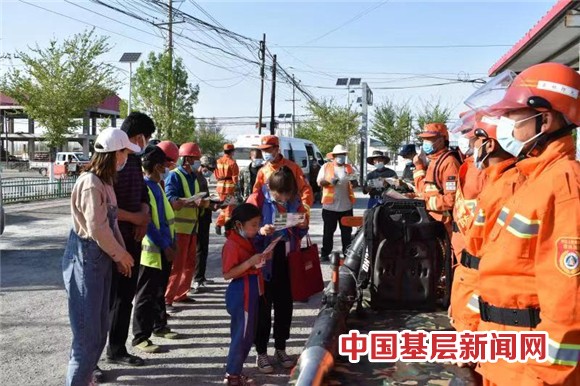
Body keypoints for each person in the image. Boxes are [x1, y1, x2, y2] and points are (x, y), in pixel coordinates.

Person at [469, 63, 580, 386]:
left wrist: (545, 378)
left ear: (543, 119)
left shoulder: (565, 186)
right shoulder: (534, 179)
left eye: (514, 116)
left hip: (528, 369)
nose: (506, 125)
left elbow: (569, 304)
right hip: (503, 353)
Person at [63, 128, 139, 386]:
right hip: (87, 259)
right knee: (87, 338)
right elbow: (97, 228)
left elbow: (111, 223)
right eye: (125, 152)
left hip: (100, 257)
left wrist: (120, 255)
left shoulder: (105, 182)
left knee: (99, 333)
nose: (126, 157)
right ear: (114, 153)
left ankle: (85, 378)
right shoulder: (90, 183)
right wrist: (120, 253)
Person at [449, 113, 519, 337]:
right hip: (470, 293)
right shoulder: (495, 181)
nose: (471, 147)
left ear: (488, 145)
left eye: (474, 140)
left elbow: (495, 266)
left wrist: (470, 327)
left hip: (482, 312)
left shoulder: (507, 187)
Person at [247, 166, 309, 374]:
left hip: (286, 257)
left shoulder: (294, 200)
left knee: (285, 305)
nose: (283, 198)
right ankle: (261, 352)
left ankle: (281, 348)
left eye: (287, 194)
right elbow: (240, 229)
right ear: (269, 188)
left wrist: (301, 225)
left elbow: (303, 227)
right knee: (263, 308)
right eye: (278, 194)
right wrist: (261, 230)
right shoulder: (257, 199)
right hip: (263, 260)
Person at [107, 112, 155, 368]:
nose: (146, 143)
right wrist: (137, 219)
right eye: (146, 138)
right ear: (138, 137)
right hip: (116, 243)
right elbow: (107, 207)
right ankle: (101, 354)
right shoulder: (114, 163)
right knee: (110, 300)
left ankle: (117, 348)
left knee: (125, 297)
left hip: (133, 240)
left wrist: (144, 215)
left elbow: (144, 193)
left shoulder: (133, 161)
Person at [131, 145, 179, 354]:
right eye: (165, 165)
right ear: (158, 166)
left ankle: (160, 325)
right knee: (145, 294)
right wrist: (164, 245)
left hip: (166, 247)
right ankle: (140, 336)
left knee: (159, 291)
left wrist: (172, 241)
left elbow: (166, 218)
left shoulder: (157, 185)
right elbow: (149, 223)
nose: (168, 168)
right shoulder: (146, 187)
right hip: (152, 251)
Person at [222, 204, 269, 386]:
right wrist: (250, 262)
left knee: (247, 335)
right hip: (242, 292)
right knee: (241, 336)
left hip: (250, 289)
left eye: (258, 224)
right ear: (239, 225)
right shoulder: (232, 244)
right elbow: (227, 274)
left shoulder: (245, 239)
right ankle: (233, 375)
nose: (257, 229)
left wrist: (259, 260)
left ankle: (235, 373)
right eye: (254, 225)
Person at [164, 142, 204, 312]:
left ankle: (181, 293)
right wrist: (189, 202)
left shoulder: (192, 176)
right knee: (177, 265)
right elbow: (171, 199)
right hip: (179, 228)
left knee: (189, 262)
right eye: (196, 159)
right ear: (187, 159)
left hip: (191, 227)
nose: (198, 162)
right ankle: (167, 298)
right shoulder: (174, 176)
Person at [411, 123, 461, 237]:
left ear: (442, 140)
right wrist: (419, 166)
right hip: (431, 222)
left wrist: (424, 203)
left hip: (443, 226)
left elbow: (451, 200)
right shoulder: (434, 161)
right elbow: (423, 191)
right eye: (424, 139)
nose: (426, 143)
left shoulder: (449, 163)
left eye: (430, 139)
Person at [253, 135, 314, 219]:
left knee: (291, 231)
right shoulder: (262, 171)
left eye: (268, 150)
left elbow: (305, 188)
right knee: (276, 231)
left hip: (291, 210)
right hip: (270, 212)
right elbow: (256, 193)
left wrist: (304, 208)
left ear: (277, 149)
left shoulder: (293, 167)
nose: (265, 153)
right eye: (263, 151)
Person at [317, 145, 356, 261]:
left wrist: (355, 182)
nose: (341, 157)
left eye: (343, 155)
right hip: (330, 207)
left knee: (347, 233)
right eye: (339, 155)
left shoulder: (349, 168)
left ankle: (347, 254)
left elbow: (355, 183)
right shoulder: (326, 167)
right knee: (328, 232)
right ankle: (325, 253)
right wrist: (329, 181)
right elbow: (319, 182)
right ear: (333, 157)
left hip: (346, 207)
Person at [192, 155, 217, 293]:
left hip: (204, 216)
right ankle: (197, 279)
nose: (211, 171)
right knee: (199, 249)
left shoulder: (201, 177)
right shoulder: (196, 177)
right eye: (209, 168)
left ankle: (201, 276)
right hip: (199, 217)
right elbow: (198, 199)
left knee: (204, 248)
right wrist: (209, 204)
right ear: (203, 166)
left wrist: (213, 204)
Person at [215, 144, 240, 235]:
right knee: (229, 210)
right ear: (232, 151)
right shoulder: (232, 163)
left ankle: (219, 224)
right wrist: (237, 187)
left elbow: (216, 175)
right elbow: (235, 178)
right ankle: (227, 229)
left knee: (224, 208)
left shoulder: (218, 161)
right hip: (229, 188)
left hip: (220, 187)